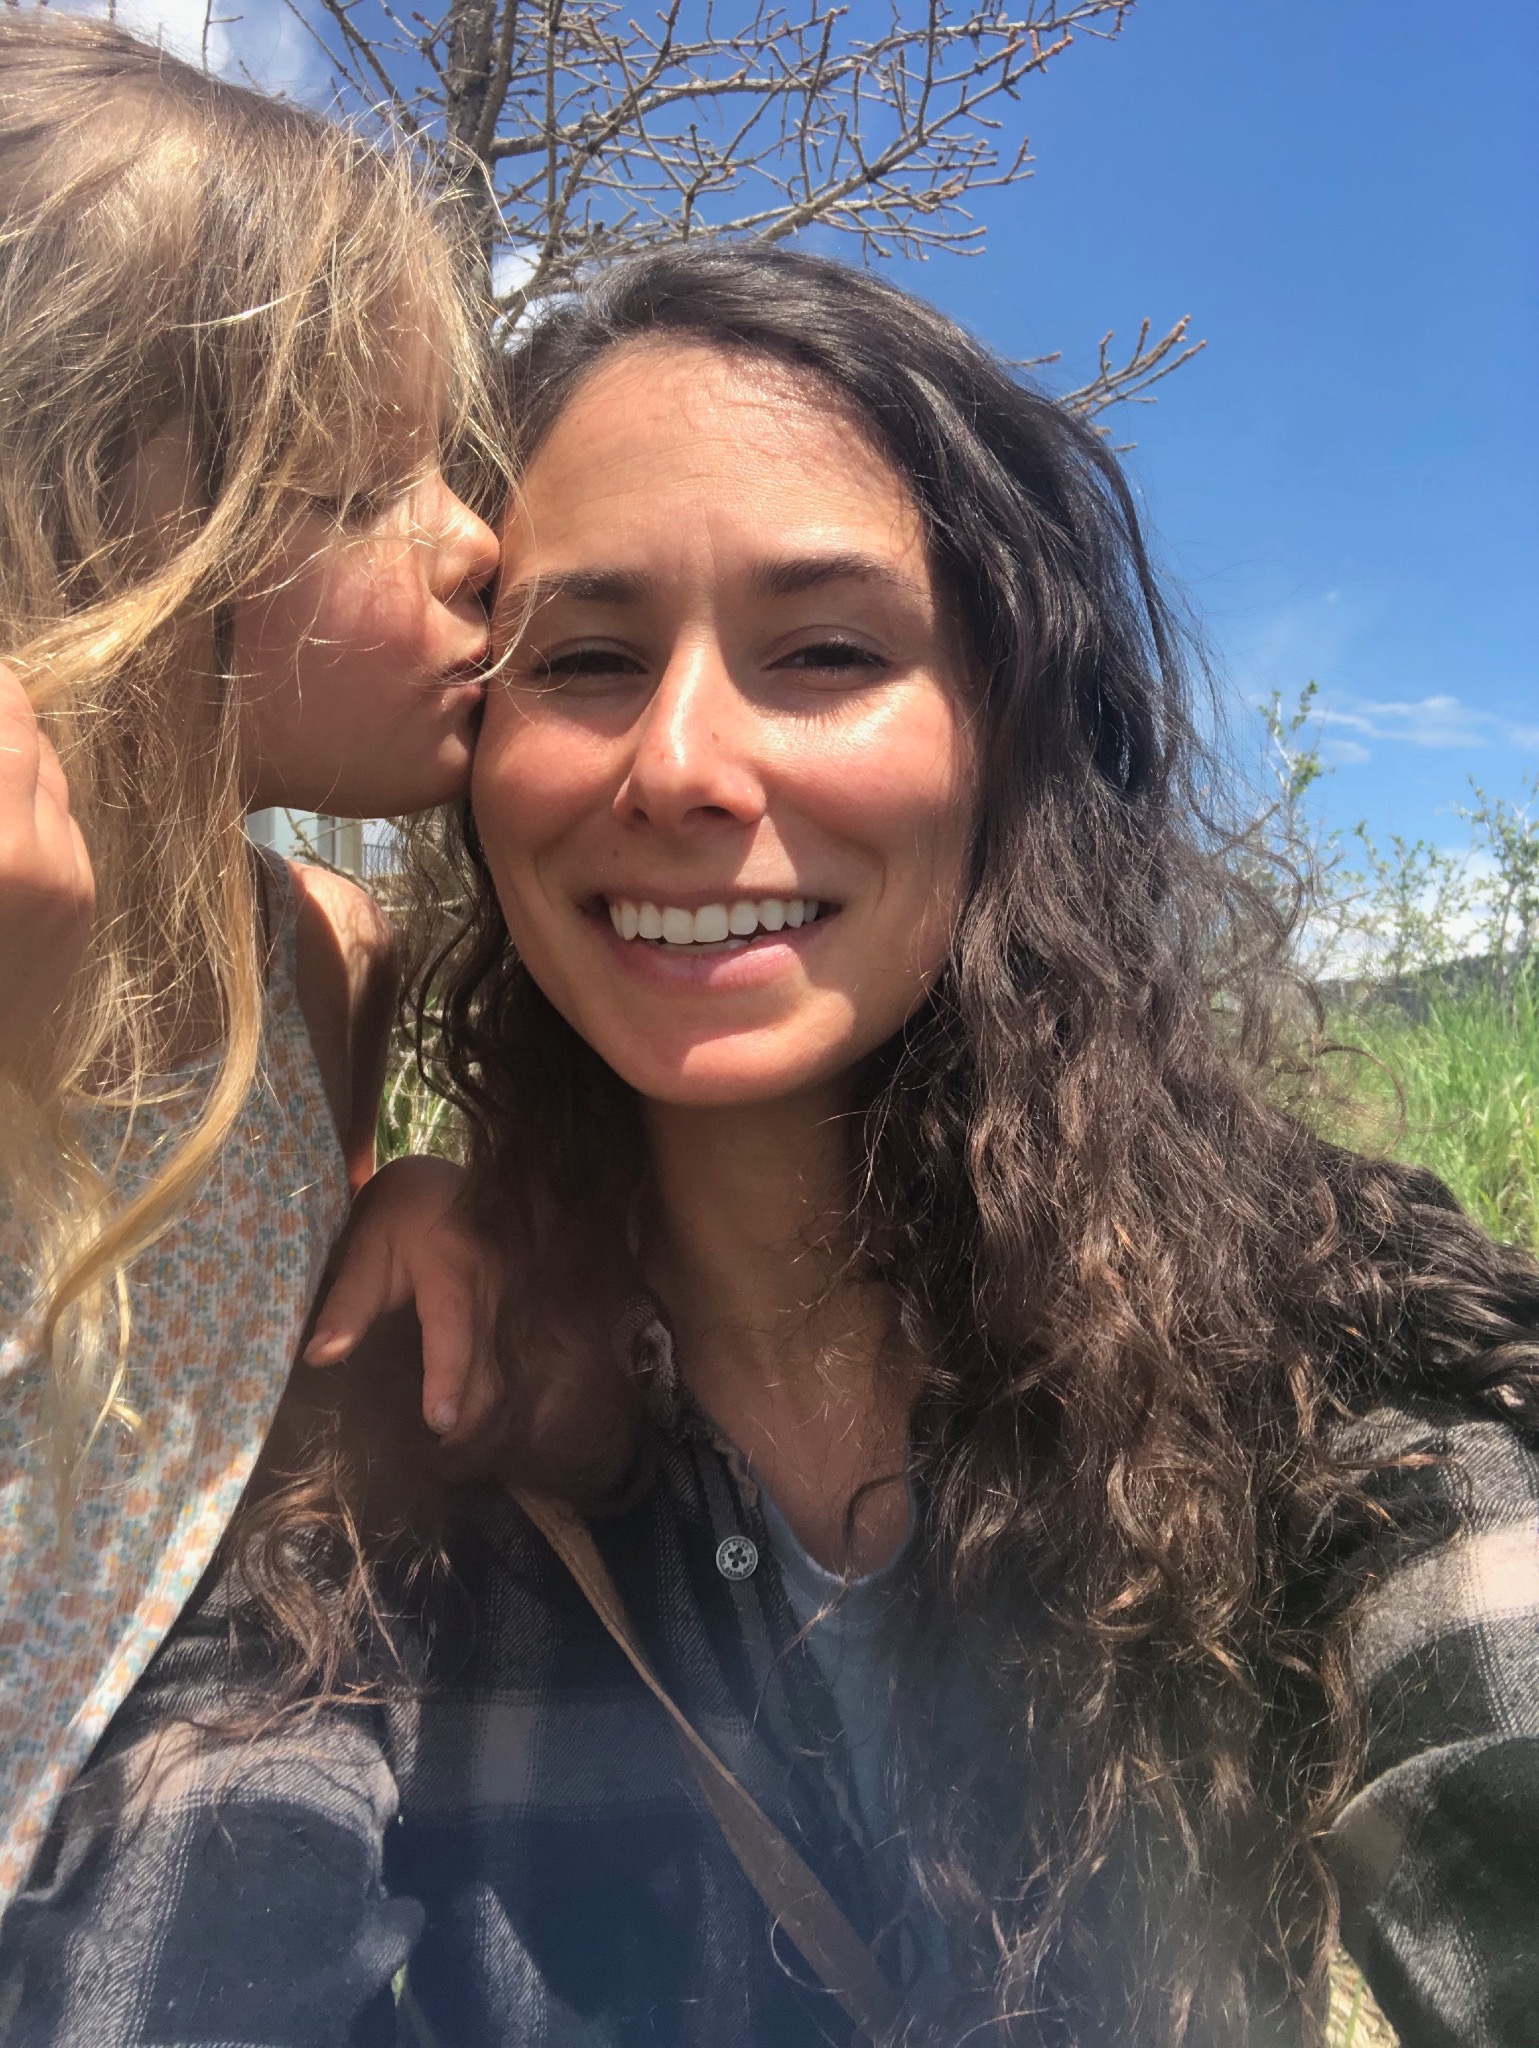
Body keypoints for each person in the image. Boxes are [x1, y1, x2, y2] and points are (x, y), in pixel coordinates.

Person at [8, 243, 1539, 2048]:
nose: (680, 765)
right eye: (585, 659)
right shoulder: (415, 1398)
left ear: (1013, 736)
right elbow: (189, 1897)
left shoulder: (1321, 1322)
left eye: (825, 652)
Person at [0, 13, 512, 1914]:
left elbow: (250, 1327)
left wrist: (414, 1198)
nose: (485, 543)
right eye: (362, 486)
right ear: (76, 526)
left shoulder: (314, 962)